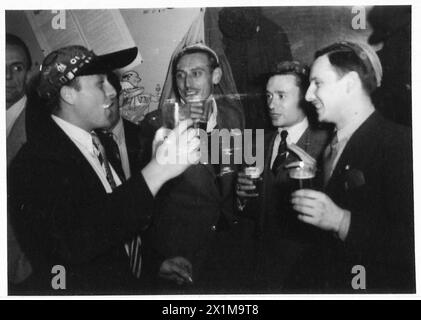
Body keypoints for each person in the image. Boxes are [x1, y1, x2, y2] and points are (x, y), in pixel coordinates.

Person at [8, 45, 200, 294]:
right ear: (68, 95)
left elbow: (112, 221)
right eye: (101, 83)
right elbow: (74, 244)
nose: (113, 91)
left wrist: (151, 264)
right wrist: (157, 171)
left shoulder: (97, 141)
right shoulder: (35, 162)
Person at [291, 41, 415, 292]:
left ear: (350, 84)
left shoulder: (401, 143)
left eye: (318, 83)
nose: (307, 95)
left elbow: (412, 245)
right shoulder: (331, 145)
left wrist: (342, 221)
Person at [143, 43, 245, 292]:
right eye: (180, 74)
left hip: (228, 249)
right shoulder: (156, 124)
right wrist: (156, 258)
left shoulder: (235, 116)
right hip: (182, 253)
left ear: (216, 76)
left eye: (196, 73)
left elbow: (236, 177)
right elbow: (144, 201)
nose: (186, 83)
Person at [236, 61, 330, 292]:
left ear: (305, 98)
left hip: (307, 273)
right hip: (261, 269)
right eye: (268, 95)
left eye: (281, 95)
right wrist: (241, 198)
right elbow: (253, 211)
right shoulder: (258, 142)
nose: (271, 104)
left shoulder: (326, 144)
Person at [6, 33, 34, 287]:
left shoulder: (41, 125)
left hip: (20, 268)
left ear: (29, 72)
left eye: (16, 68)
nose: (6, 78)